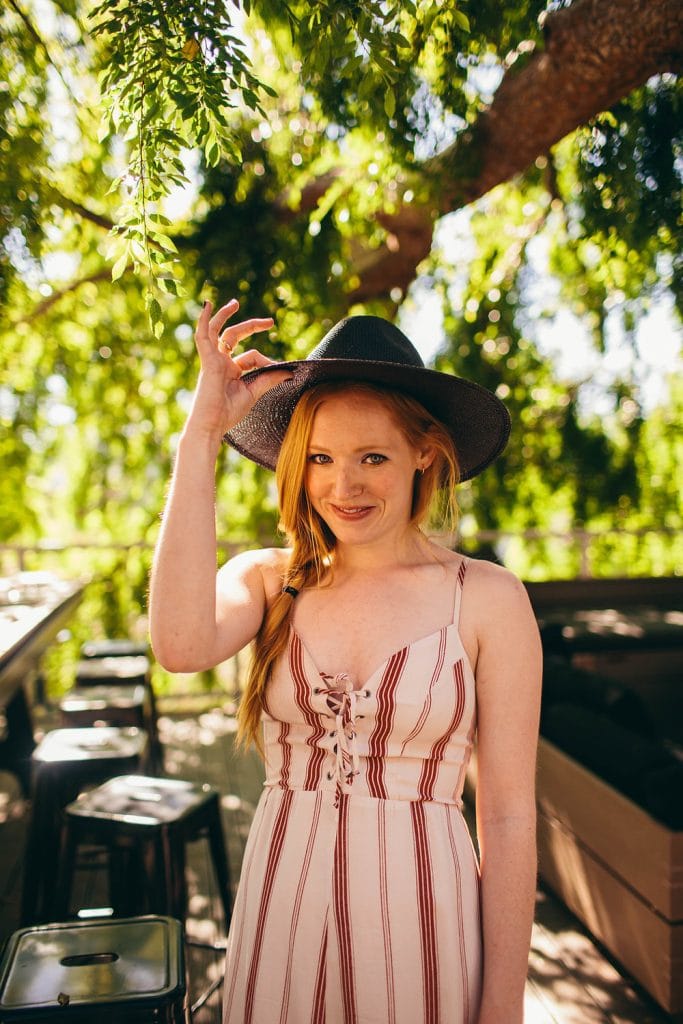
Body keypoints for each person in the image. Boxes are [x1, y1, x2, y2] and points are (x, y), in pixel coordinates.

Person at [149, 298, 542, 1024]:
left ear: (424, 452)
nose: (342, 486)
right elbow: (178, 645)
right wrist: (200, 433)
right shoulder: (268, 580)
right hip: (279, 917)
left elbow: (510, 816)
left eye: (372, 458)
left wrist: (501, 1003)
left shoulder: (486, 599)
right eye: (321, 459)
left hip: (426, 929)